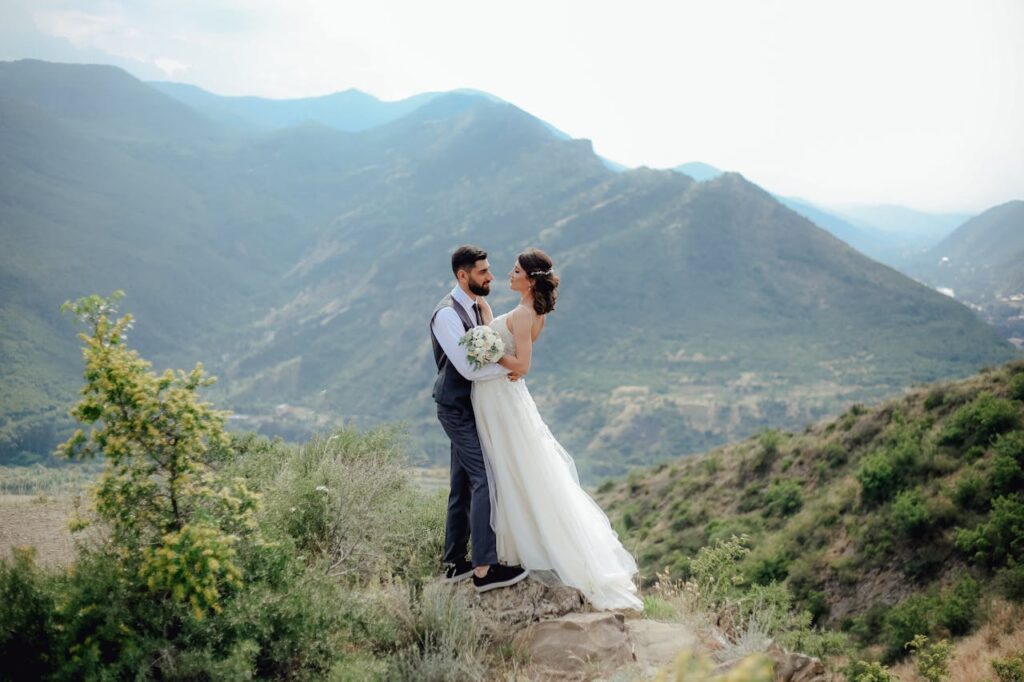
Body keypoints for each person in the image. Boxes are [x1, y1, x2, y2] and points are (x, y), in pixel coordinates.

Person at [472, 247, 643, 611]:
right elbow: (510, 343)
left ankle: (524, 546)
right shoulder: (529, 313)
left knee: (510, 466)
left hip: (501, 398)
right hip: (504, 396)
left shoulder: (522, 313)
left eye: (516, 270)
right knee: (515, 466)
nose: (510, 274)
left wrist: (489, 353)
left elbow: (523, 363)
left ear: (530, 279)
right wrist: (489, 327)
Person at [429, 245, 529, 593]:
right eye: (483, 272)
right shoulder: (446, 315)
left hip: (473, 408)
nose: (490, 276)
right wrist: (509, 373)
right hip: (456, 409)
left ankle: (456, 561)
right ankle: (484, 569)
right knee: (484, 479)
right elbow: (468, 369)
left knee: (462, 483)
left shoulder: (475, 307)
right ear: (463, 275)